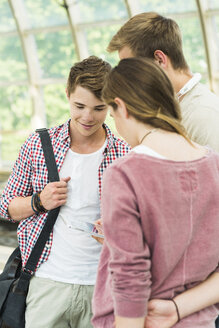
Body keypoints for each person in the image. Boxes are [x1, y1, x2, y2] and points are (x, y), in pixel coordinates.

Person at [0, 56, 130, 328]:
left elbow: (142, 225)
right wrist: (39, 201)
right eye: (79, 106)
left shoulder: (123, 153)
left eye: (99, 108)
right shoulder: (38, 145)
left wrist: (116, 230)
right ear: (67, 94)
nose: (87, 117)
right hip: (47, 283)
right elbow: (5, 207)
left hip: (103, 287)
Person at [91, 57, 219, 328]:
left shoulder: (126, 173)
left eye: (113, 116)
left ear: (122, 108)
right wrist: (176, 308)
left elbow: (130, 280)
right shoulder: (214, 165)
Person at [107, 12, 219, 152]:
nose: (129, 77)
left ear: (160, 60)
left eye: (134, 67)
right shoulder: (169, 110)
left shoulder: (204, 116)